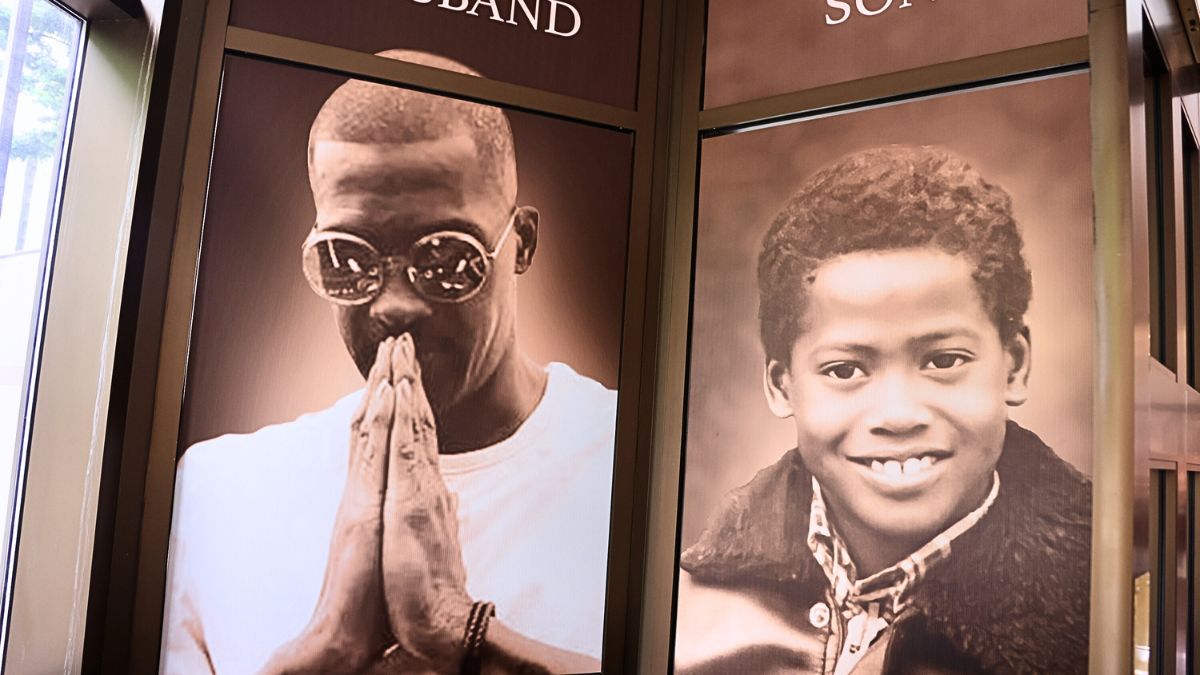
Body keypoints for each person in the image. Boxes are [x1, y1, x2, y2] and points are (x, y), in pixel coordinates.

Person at [160, 51, 616, 674]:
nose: (396, 305)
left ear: (522, 245)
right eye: (349, 259)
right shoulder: (219, 493)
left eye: (446, 258)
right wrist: (326, 646)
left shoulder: (634, 471)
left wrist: (459, 629)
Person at [674, 145, 1091, 674]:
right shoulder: (693, 615)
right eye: (845, 370)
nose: (897, 414)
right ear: (782, 386)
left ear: (1015, 365)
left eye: (944, 360)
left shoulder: (1105, 609)